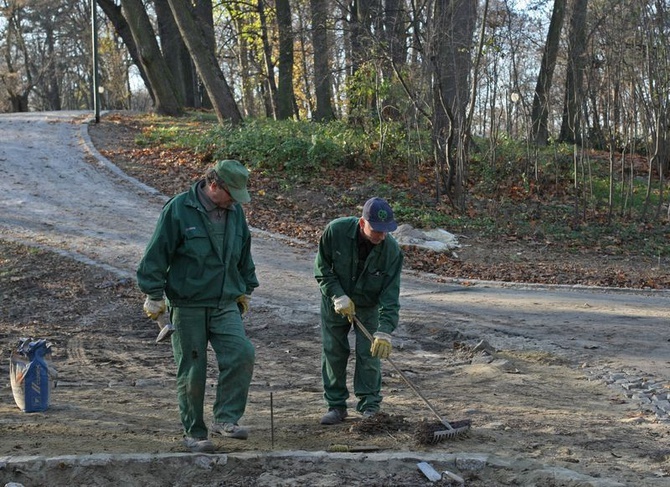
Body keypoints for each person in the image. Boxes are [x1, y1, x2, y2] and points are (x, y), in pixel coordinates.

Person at [137, 159, 259, 453]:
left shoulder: (234, 212)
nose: (235, 201)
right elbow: (156, 254)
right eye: (231, 193)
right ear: (213, 185)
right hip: (188, 303)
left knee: (242, 353)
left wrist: (247, 287)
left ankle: (226, 418)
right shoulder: (179, 209)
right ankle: (194, 432)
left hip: (224, 301)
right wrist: (153, 294)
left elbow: (244, 251)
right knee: (193, 370)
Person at [314, 196, 403, 425]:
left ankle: (370, 407)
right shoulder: (336, 231)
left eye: (386, 230)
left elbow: (390, 297)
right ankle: (336, 406)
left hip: (368, 305)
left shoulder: (391, 251)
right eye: (377, 230)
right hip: (336, 301)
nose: (382, 235)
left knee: (370, 354)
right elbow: (322, 268)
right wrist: (336, 294)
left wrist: (384, 331)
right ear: (362, 223)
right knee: (334, 351)